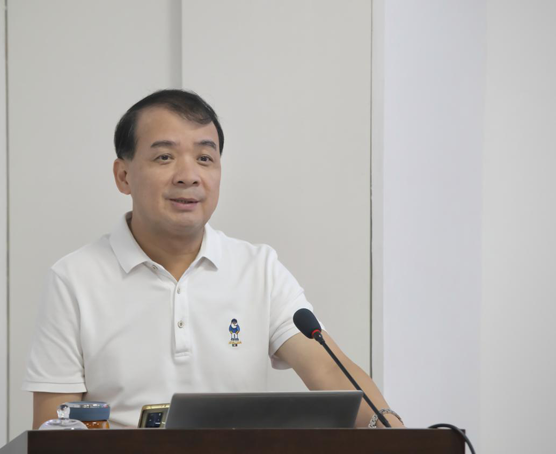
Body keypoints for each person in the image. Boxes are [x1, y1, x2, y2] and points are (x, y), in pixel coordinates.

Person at [22, 89, 403, 429]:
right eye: (164, 157)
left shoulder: (258, 269)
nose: (188, 176)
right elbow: (55, 426)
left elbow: (329, 371)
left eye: (205, 158)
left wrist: (394, 433)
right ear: (123, 176)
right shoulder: (74, 278)